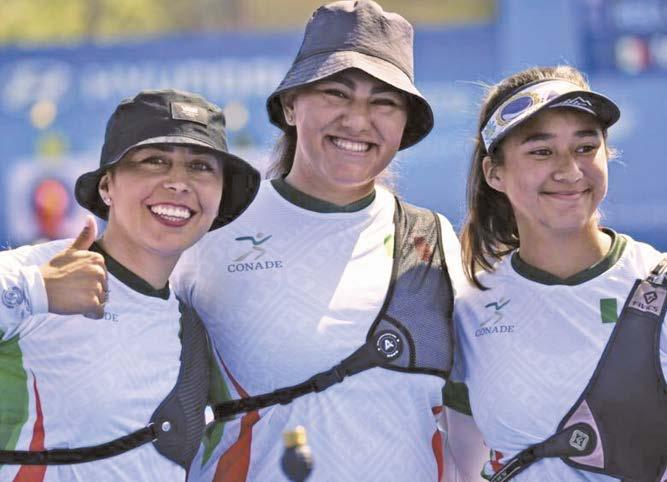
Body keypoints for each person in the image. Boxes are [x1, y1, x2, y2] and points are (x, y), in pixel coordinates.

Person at [171, 1, 487, 481]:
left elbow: (477, 413)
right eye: (336, 93)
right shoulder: (212, 228)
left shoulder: (432, 238)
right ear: (290, 105)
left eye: (384, 102)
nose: (358, 121)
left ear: (404, 124)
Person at [0, 89, 259, 481]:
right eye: (154, 161)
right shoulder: (33, 271)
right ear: (107, 186)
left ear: (220, 197)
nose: (179, 182)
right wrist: (36, 291)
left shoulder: (193, 327)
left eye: (201, 167)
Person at [446, 65, 667, 481]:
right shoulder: (470, 309)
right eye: (542, 151)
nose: (570, 171)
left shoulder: (657, 284)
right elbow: (460, 465)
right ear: (494, 173)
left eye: (585, 147)